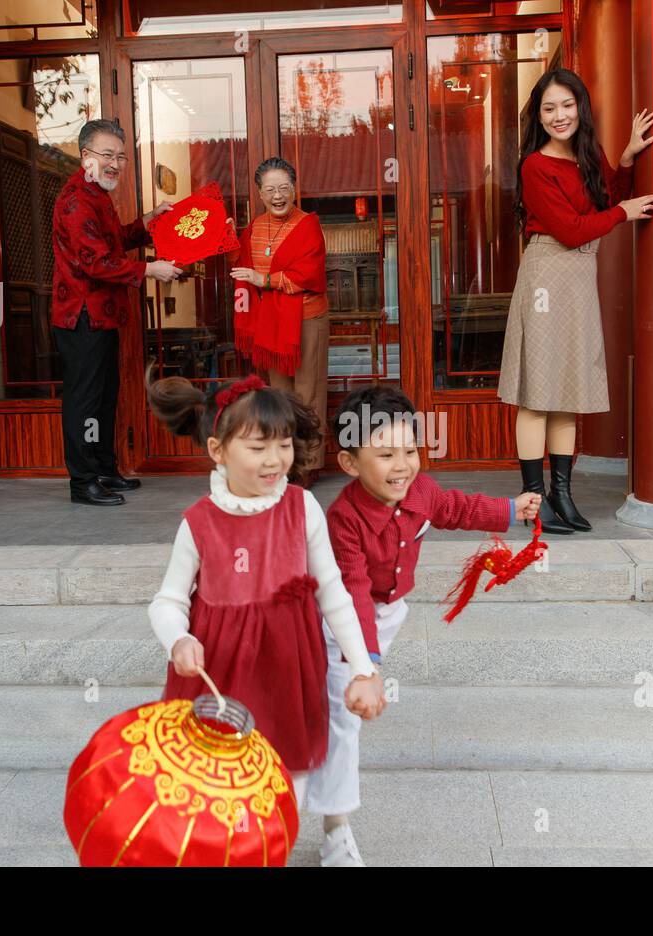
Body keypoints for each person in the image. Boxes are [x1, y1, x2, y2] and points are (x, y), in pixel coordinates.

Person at [307, 384, 541, 866]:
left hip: (389, 616)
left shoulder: (422, 491)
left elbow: (456, 507)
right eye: (386, 454)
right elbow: (349, 594)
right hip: (341, 627)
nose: (403, 465)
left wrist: (510, 510)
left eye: (410, 450)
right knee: (342, 721)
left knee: (339, 719)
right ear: (350, 464)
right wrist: (365, 664)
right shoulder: (343, 519)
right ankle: (335, 830)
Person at [145, 371, 386, 807]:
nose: (275, 459)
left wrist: (362, 668)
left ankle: (272, 845)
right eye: (258, 448)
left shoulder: (301, 506)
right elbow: (168, 601)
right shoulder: (199, 522)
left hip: (287, 668)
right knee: (217, 779)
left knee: (282, 779)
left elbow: (333, 592)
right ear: (218, 451)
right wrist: (177, 639)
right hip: (217, 673)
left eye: (284, 445)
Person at [499, 68, 653, 534]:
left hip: (579, 274)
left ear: (580, 107)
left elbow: (610, 198)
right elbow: (571, 229)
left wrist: (627, 155)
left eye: (566, 105)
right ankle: (535, 499)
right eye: (549, 108)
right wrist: (622, 213)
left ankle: (562, 496)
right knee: (537, 394)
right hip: (549, 271)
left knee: (565, 390)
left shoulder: (586, 154)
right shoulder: (535, 165)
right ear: (539, 115)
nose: (559, 116)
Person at [51, 118, 183, 506]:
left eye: (121, 157)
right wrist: (150, 270)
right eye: (107, 154)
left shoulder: (97, 194)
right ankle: (83, 481)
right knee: (85, 400)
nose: (115, 163)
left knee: (105, 397)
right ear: (85, 156)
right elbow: (96, 261)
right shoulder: (75, 199)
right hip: (81, 315)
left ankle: (105, 468)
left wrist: (151, 219)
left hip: (103, 314)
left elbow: (117, 239)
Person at [230, 156, 330, 487]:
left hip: (306, 317)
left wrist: (266, 281)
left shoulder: (308, 224)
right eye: (270, 189)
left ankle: (310, 462)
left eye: (284, 188)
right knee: (280, 394)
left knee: (308, 393)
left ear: (295, 189)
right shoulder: (254, 228)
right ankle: (285, 461)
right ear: (259, 193)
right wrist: (228, 239)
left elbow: (309, 275)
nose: (278, 195)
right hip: (272, 321)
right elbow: (241, 265)